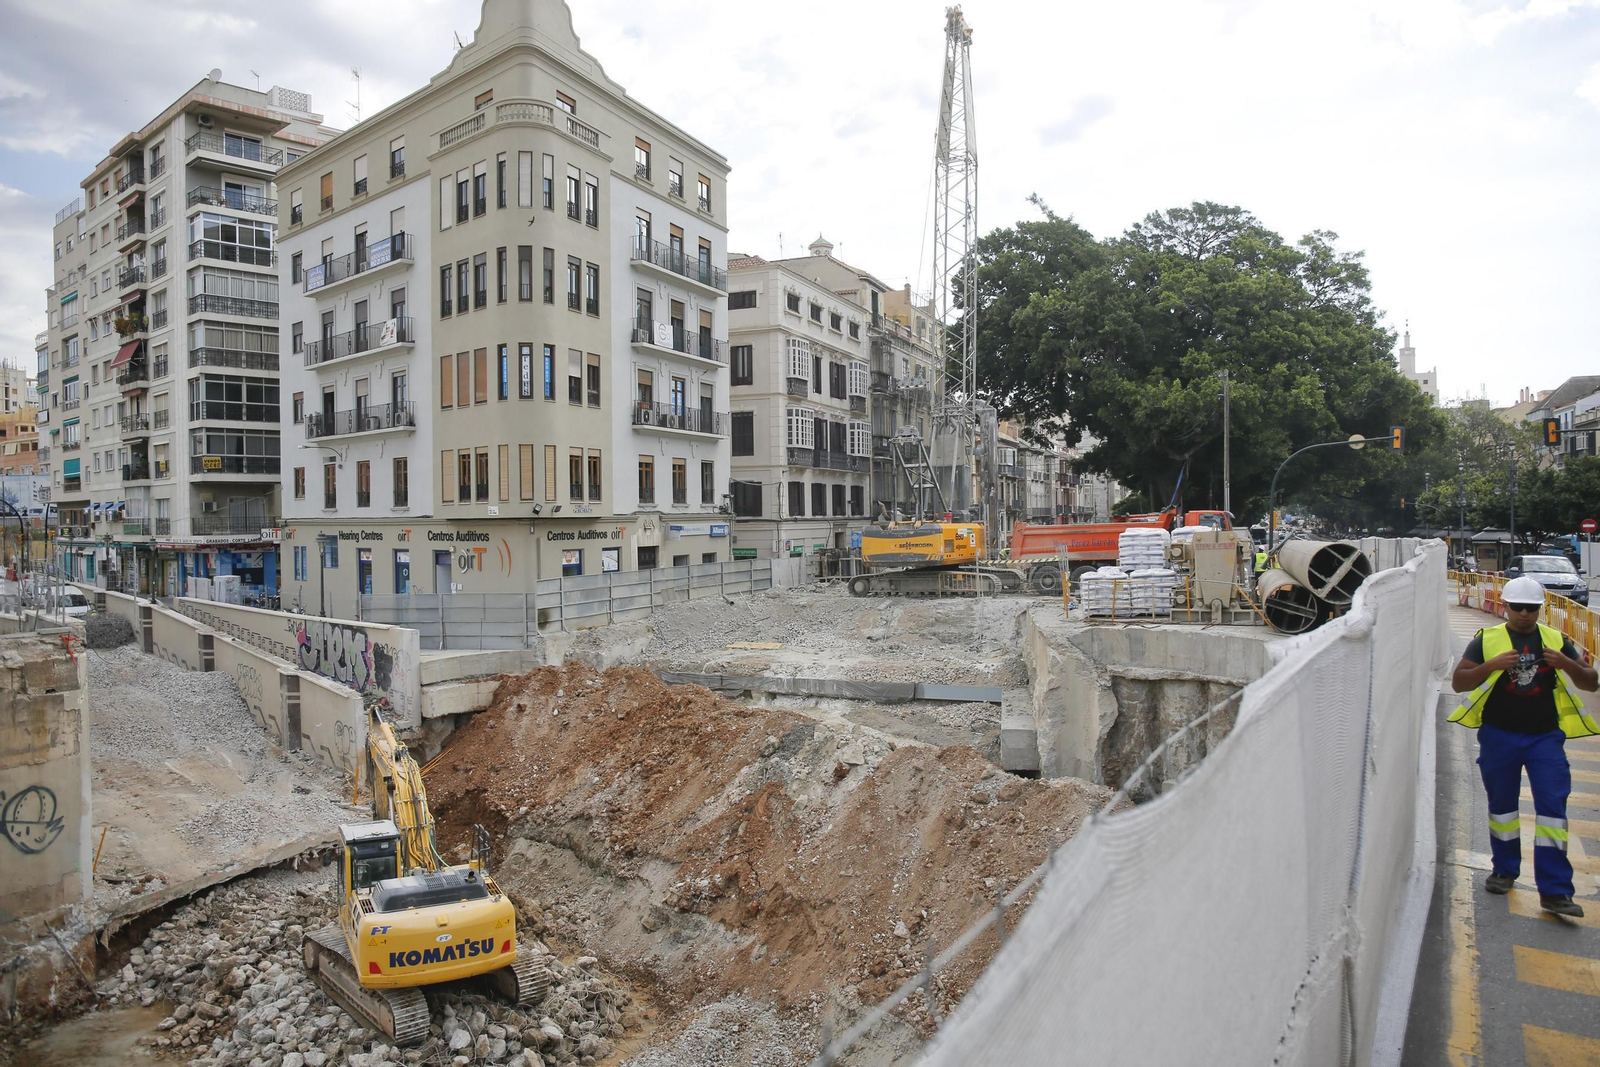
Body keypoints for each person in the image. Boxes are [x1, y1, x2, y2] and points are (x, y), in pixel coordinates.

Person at [1449, 575, 1600, 916]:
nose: (1524, 613)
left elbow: (1591, 682)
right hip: (1499, 736)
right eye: (1517, 607)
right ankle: (1504, 870)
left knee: (1552, 809)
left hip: (1544, 738)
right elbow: (1459, 682)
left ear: (1539, 609)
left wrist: (1567, 663)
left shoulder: (1555, 640)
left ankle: (1555, 891)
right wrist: (1491, 666)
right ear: (1505, 606)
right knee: (1502, 808)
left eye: (1531, 608)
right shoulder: (1487, 640)